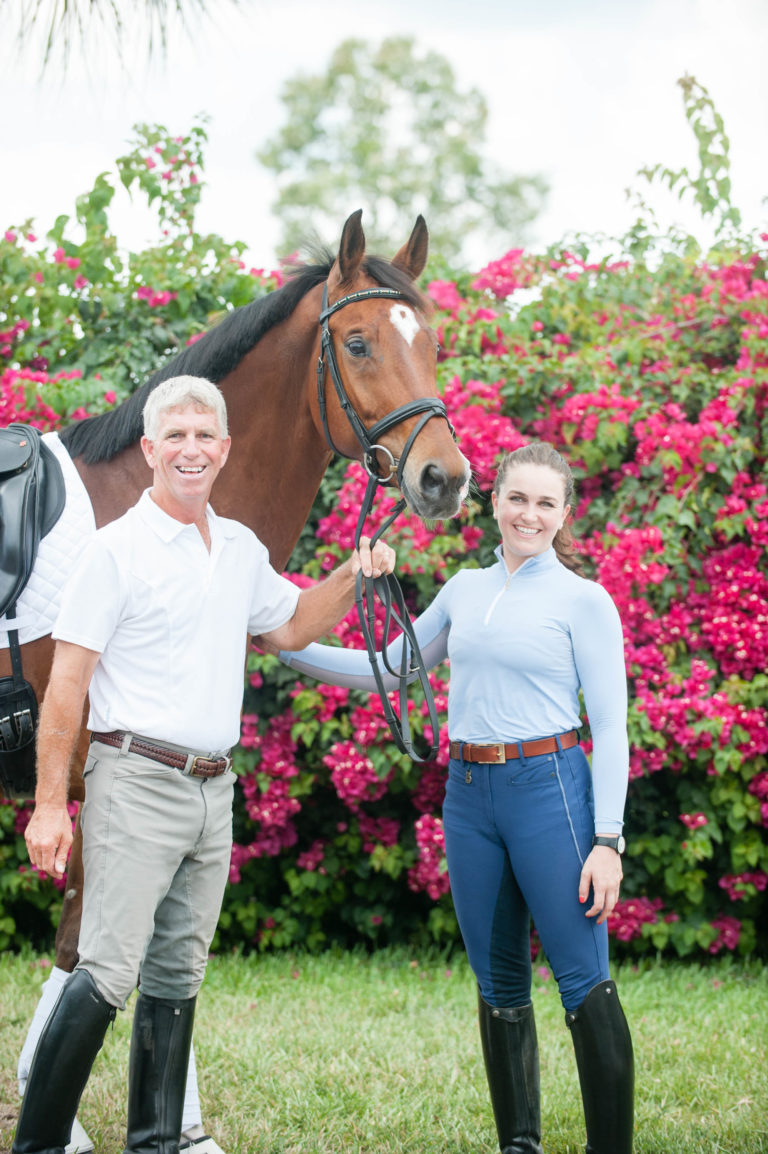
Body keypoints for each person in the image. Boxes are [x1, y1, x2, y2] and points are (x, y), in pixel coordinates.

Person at [13, 374, 395, 1154]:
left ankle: (155, 1142)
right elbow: (67, 686)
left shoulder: (242, 550)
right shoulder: (113, 551)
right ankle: (38, 1143)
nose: (190, 450)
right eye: (175, 437)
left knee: (177, 976)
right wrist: (50, 804)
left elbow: (289, 626)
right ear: (150, 450)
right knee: (106, 972)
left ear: (224, 449)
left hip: (210, 790)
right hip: (133, 781)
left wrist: (354, 573)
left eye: (203, 437)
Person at [274, 441, 634, 1154]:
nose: (529, 514)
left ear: (565, 513)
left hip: (550, 795)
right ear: (494, 502)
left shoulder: (584, 601)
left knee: (583, 982)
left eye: (546, 503)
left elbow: (612, 725)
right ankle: (518, 1145)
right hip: (470, 800)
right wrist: (282, 643)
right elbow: (393, 666)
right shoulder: (466, 590)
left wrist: (607, 840)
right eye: (517, 498)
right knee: (498, 982)